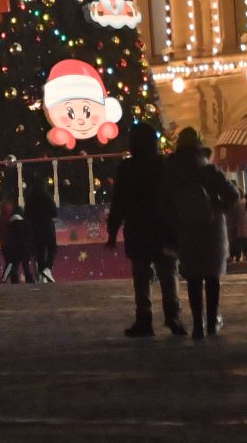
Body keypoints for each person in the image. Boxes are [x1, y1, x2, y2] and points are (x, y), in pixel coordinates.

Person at [107, 120, 185, 337]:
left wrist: (113, 230)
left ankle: (144, 319)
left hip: (139, 228)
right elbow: (174, 197)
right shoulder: (164, 164)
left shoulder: (128, 167)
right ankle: (173, 316)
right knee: (168, 274)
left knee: (142, 277)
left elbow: (119, 201)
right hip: (163, 227)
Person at [161, 128, 237, 340]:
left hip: (186, 228)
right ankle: (212, 322)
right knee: (212, 277)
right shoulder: (209, 171)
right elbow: (233, 195)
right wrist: (218, 208)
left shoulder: (172, 173)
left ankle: (197, 325)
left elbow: (165, 205)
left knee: (194, 278)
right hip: (212, 229)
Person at [25, 171, 59, 283]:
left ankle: (41, 275)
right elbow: (54, 212)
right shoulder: (47, 196)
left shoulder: (30, 198)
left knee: (40, 251)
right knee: (52, 247)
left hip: (35, 228)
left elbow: (26, 214)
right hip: (47, 226)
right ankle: (47, 269)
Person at [0, 200, 32, 283]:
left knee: (10, 263)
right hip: (15, 244)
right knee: (22, 263)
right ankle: (27, 280)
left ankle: (9, 280)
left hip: (5, 244)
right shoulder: (16, 220)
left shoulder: (0, 220)